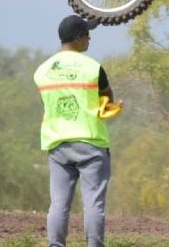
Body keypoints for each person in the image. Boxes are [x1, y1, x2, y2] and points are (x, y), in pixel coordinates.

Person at [34, 15, 122, 247]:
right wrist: (111, 107)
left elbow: (48, 104)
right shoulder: (93, 67)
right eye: (87, 35)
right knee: (93, 203)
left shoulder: (42, 71)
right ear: (79, 38)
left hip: (58, 145)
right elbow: (107, 98)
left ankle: (55, 244)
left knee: (59, 203)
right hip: (91, 143)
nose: (90, 39)